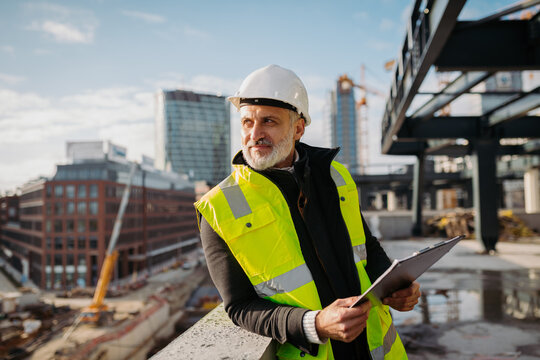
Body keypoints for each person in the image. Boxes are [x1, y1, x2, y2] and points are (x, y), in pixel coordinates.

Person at [195, 64, 421, 359]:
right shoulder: (219, 208)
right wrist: (313, 324)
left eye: (269, 122)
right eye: (247, 122)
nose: (255, 133)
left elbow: (368, 249)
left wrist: (397, 287)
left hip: (372, 348)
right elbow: (239, 307)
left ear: (298, 128)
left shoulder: (337, 177)